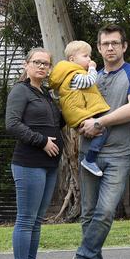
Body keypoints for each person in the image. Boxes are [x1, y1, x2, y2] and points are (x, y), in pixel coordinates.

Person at [61, 24, 130, 259]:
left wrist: (99, 122)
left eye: (115, 43)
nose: (110, 48)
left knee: (106, 210)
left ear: (124, 46)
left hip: (120, 154)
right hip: (90, 154)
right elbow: (73, 105)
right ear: (98, 48)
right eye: (105, 44)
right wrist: (79, 124)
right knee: (88, 213)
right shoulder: (91, 76)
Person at [5, 47, 64, 259]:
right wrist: (41, 142)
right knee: (26, 219)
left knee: (37, 220)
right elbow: (12, 124)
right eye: (37, 62)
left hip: (49, 164)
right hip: (29, 162)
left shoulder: (47, 94)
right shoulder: (21, 90)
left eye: (46, 64)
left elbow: (60, 122)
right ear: (26, 65)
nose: (42, 66)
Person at [48, 40, 110, 177]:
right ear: (72, 59)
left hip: (77, 113)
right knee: (102, 130)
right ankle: (90, 159)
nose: (89, 59)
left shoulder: (67, 75)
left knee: (98, 130)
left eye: (89, 56)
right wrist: (93, 69)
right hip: (78, 114)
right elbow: (89, 81)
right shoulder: (74, 76)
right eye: (85, 56)